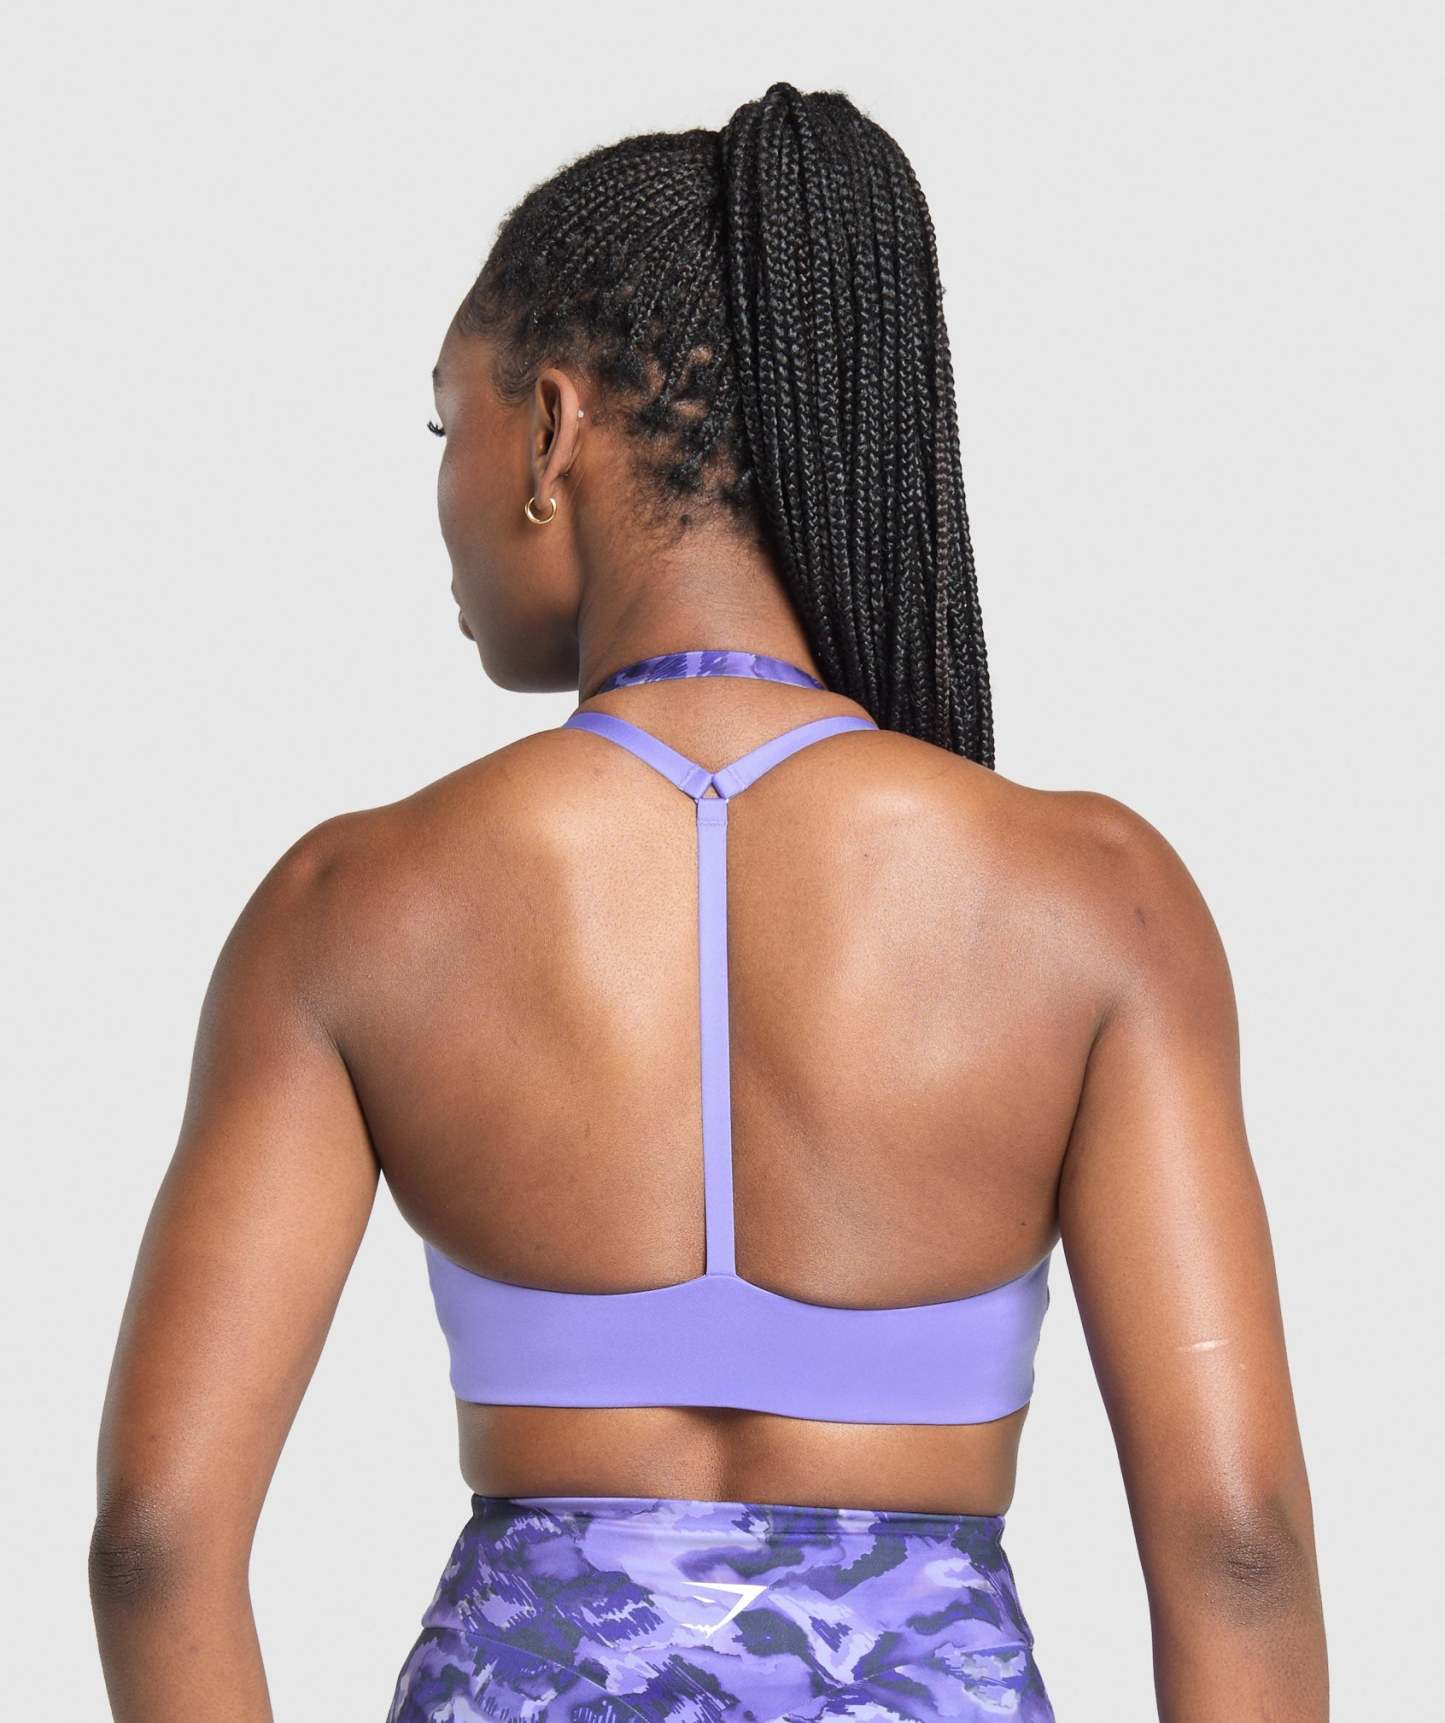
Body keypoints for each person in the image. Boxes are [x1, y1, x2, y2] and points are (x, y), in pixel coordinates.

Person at [89, 82, 1328, 1723]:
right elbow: (1238, 1545)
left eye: (448, 425)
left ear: (550, 430)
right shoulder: (1096, 903)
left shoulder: (348, 907)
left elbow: (157, 1545)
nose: (445, 488)